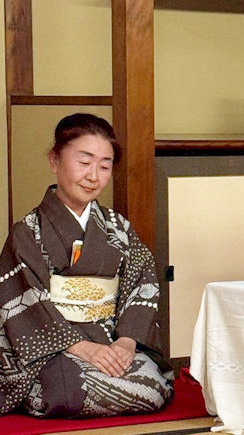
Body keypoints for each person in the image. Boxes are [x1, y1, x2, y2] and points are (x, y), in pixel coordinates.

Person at [0, 114, 173, 417]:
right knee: (68, 388)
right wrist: (82, 348)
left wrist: (126, 343)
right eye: (84, 162)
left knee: (154, 388)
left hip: (110, 340)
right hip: (56, 349)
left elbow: (142, 284)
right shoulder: (27, 232)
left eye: (104, 166)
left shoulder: (118, 228)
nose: (94, 176)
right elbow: (26, 302)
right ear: (54, 161)